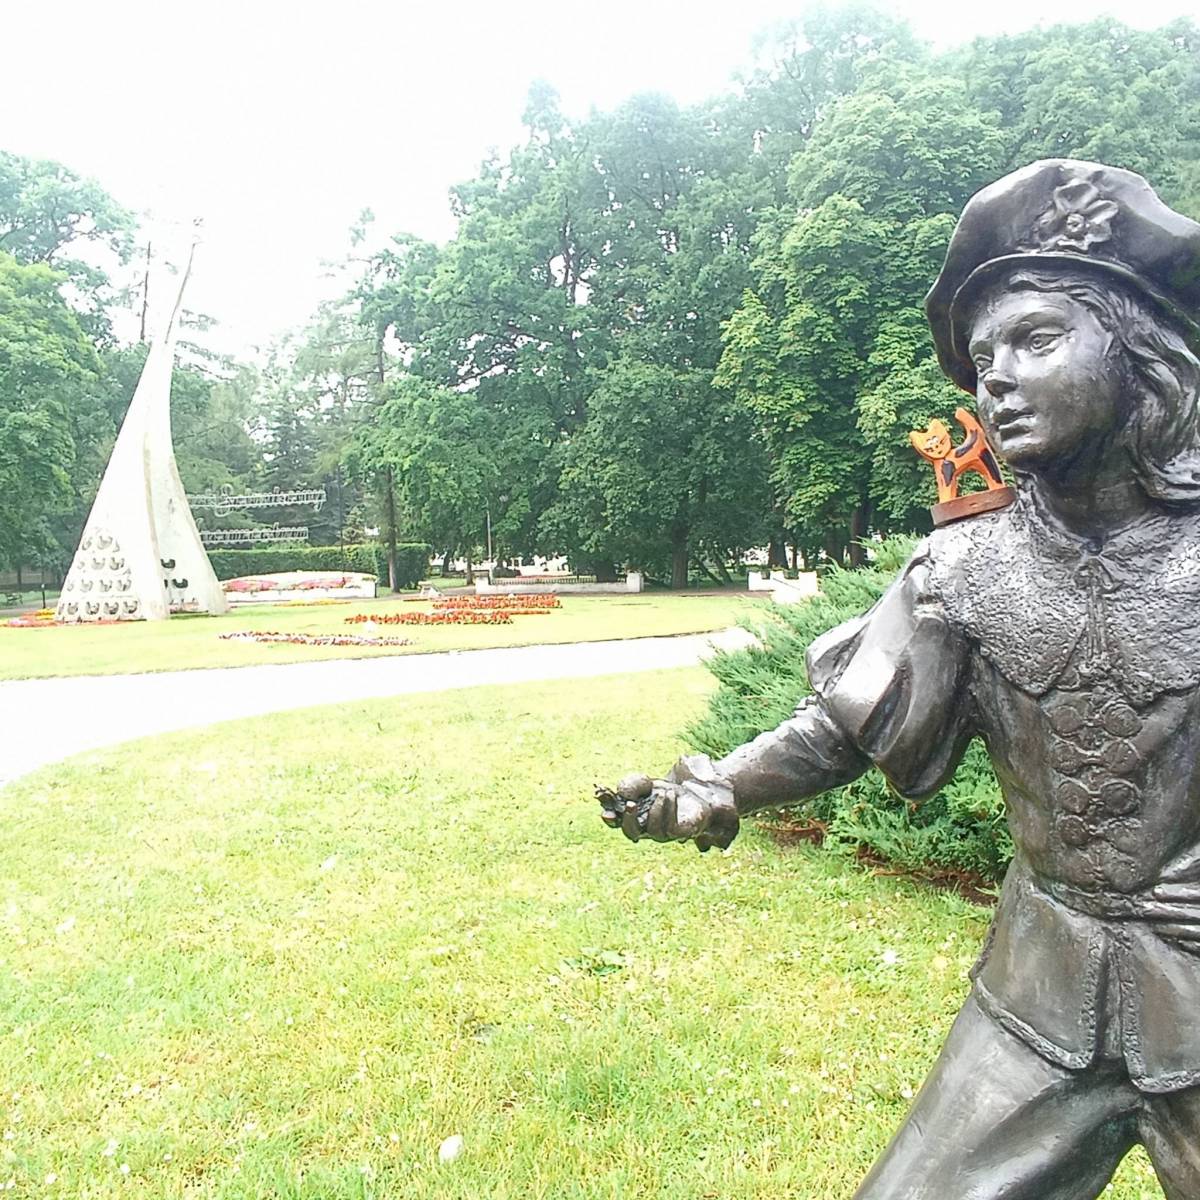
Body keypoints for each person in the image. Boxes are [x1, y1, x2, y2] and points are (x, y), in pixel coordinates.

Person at [600, 160, 1200, 1199]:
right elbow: (840, 727)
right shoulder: (962, 571)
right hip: (1038, 997)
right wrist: (721, 783)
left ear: (1139, 352)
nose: (995, 379)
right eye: (983, 359)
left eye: (1036, 340)